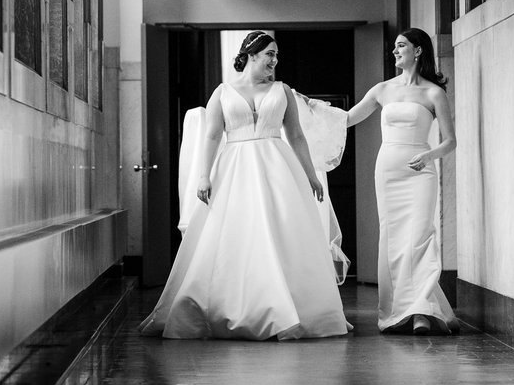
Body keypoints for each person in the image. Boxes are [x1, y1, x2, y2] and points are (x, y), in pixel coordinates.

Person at [139, 31, 352, 340]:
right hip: (235, 169)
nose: (275, 60)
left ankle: (293, 307)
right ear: (252, 55)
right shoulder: (223, 92)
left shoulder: (283, 91)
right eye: (270, 54)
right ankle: (233, 304)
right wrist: (203, 175)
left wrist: (310, 174)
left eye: (277, 55)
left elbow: (296, 135)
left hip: (277, 167)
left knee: (281, 232)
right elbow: (212, 135)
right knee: (237, 234)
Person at [346, 27, 458, 334]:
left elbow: (450, 142)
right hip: (389, 171)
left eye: (401, 46)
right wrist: (307, 108)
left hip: (420, 171)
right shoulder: (382, 89)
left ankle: (421, 311)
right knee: (395, 240)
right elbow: (347, 119)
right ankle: (405, 309)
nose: (394, 51)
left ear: (418, 50)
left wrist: (428, 156)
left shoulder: (434, 93)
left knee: (419, 238)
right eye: (395, 47)